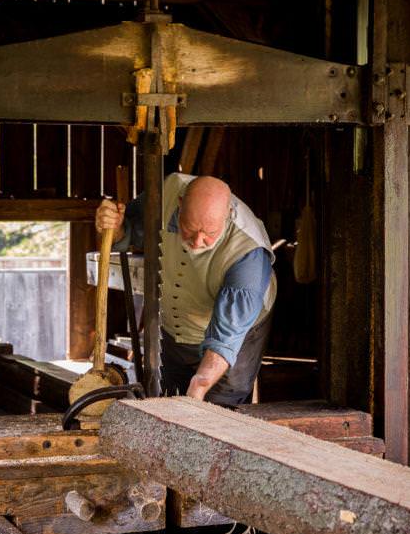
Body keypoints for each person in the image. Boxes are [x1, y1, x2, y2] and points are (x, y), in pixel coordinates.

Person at [95, 173, 275, 405]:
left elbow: (225, 338)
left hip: (236, 335)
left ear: (228, 215)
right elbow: (131, 228)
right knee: (172, 395)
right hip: (176, 323)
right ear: (180, 205)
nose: (198, 241)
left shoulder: (248, 255)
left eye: (209, 234)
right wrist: (115, 227)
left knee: (221, 407)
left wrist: (200, 383)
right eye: (189, 228)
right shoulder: (166, 192)